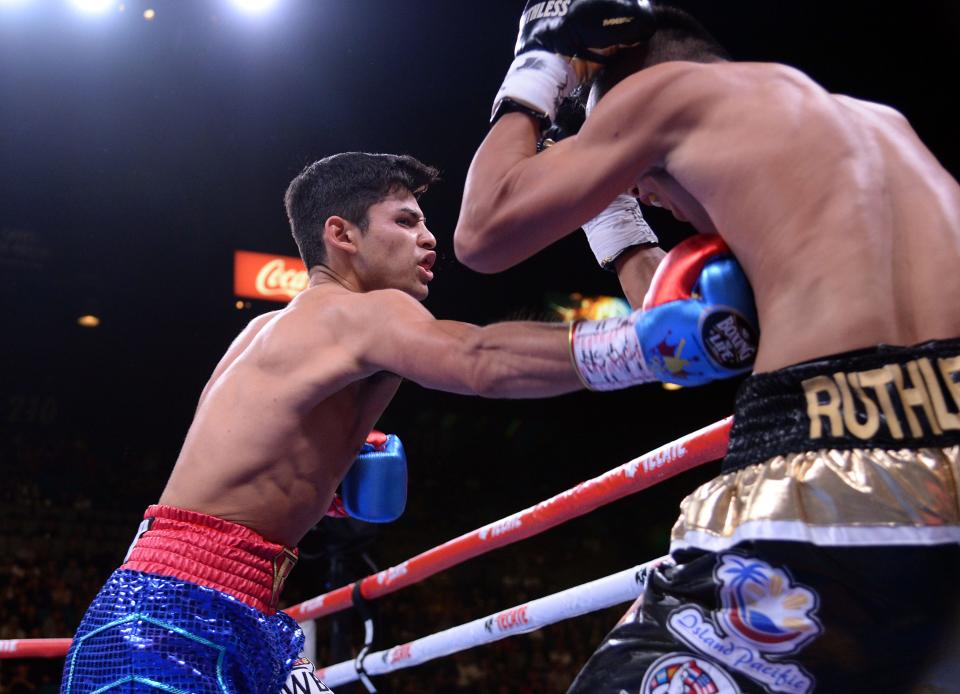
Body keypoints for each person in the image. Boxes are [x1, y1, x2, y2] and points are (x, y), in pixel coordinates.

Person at [453, 1, 960, 692]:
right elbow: (684, 323)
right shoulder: (879, 125)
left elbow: (481, 233)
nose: (640, 190)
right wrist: (616, 221)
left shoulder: (663, 92)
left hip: (824, 477)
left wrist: (538, 66)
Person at [60, 151, 695, 694]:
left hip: (203, 602)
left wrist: (326, 486)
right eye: (406, 220)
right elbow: (479, 360)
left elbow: (231, 463)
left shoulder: (261, 331)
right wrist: (639, 345)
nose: (430, 239)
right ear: (342, 234)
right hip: (177, 618)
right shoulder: (363, 314)